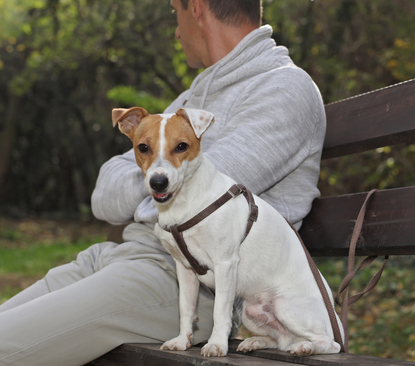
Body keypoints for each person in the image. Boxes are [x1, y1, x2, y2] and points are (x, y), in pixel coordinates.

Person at [0, 0, 326, 365]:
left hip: (188, 281)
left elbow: (205, 200)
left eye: (175, 11)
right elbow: (104, 196)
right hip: (121, 255)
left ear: (197, 8)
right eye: (146, 149)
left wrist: (149, 171)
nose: (175, 28)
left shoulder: (284, 89)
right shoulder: (192, 98)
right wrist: (163, 176)